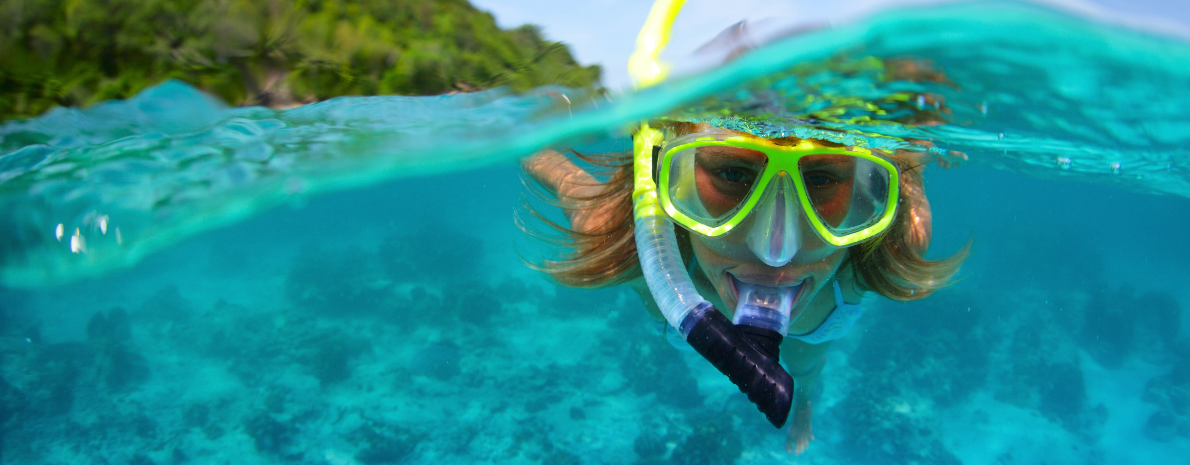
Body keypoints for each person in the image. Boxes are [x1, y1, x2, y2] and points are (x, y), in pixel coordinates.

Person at [520, 115, 968, 454]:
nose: (776, 251)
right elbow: (558, 172)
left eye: (822, 179)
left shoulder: (895, 235)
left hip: (815, 326)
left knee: (808, 369)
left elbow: (907, 177)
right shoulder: (623, 235)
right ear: (660, 176)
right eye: (733, 174)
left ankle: (805, 406)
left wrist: (910, 155)